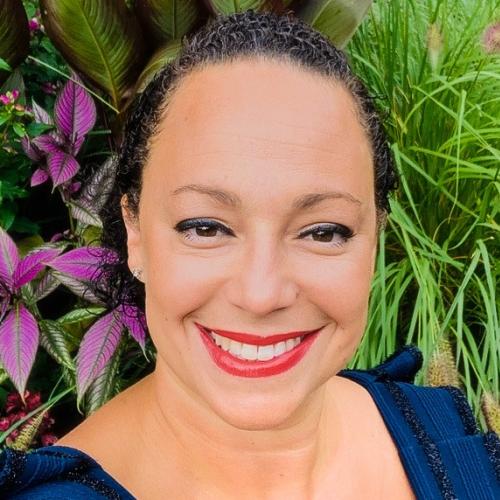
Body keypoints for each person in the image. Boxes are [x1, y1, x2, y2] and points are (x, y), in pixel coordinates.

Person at [0, 9, 498, 500]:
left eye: (323, 232)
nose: (261, 295)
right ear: (136, 233)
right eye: (205, 227)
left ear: (374, 238)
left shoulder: (450, 440)